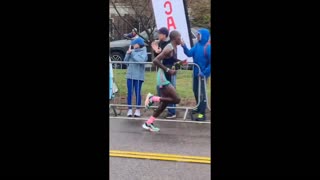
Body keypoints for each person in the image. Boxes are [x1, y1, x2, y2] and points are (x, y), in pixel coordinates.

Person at [143, 30, 184, 132]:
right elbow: (155, 60)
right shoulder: (169, 47)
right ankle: (152, 98)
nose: (181, 39)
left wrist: (180, 63)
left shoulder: (174, 47)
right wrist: (168, 70)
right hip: (163, 77)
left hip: (167, 77)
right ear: (175, 38)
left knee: (164, 104)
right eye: (180, 37)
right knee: (176, 99)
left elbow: (171, 61)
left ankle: (148, 123)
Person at [181, 28, 211, 121]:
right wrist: (184, 46)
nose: (197, 36)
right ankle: (198, 107)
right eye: (197, 35)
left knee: (202, 94)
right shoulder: (197, 45)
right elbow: (189, 53)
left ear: (203, 36)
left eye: (198, 35)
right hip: (195, 73)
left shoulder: (208, 47)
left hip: (203, 74)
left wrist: (204, 73)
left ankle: (202, 114)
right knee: (195, 90)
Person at [151, 27, 176, 119]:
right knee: (160, 89)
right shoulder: (160, 42)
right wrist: (156, 50)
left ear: (164, 35)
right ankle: (162, 108)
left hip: (168, 69)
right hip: (162, 69)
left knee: (170, 90)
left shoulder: (169, 44)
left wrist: (160, 52)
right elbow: (157, 56)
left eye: (159, 34)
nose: (158, 35)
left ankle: (172, 111)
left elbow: (169, 56)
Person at [124, 37, 148, 117]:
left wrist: (132, 54)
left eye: (134, 44)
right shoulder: (132, 51)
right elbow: (125, 61)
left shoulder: (144, 52)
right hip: (130, 75)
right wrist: (128, 53)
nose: (133, 45)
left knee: (138, 92)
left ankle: (138, 109)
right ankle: (129, 109)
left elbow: (141, 61)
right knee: (129, 92)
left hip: (138, 76)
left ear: (138, 44)